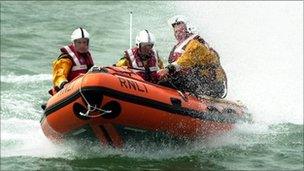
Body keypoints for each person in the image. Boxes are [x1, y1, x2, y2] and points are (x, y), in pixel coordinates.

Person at [158, 15, 227, 98]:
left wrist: (168, 69)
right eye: (176, 32)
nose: (177, 34)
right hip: (195, 79)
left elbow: (185, 60)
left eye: (181, 31)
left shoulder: (196, 44)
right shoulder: (179, 46)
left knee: (166, 83)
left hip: (212, 84)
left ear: (189, 30)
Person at [51, 27, 94, 93]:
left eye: (84, 42)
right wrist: (64, 84)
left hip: (83, 88)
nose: (82, 45)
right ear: (74, 43)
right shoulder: (66, 58)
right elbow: (59, 75)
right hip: (67, 91)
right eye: (79, 42)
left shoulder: (86, 56)